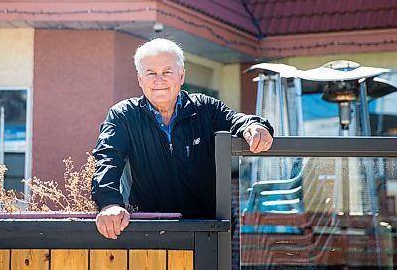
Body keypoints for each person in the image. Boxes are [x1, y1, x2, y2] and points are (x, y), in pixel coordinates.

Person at [91, 38, 274, 239]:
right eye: (150, 73)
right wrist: (109, 204)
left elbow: (237, 120)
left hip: (206, 233)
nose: (158, 80)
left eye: (167, 72)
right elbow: (107, 158)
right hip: (146, 233)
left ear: (181, 75)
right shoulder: (123, 115)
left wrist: (255, 126)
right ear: (140, 79)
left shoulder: (205, 108)